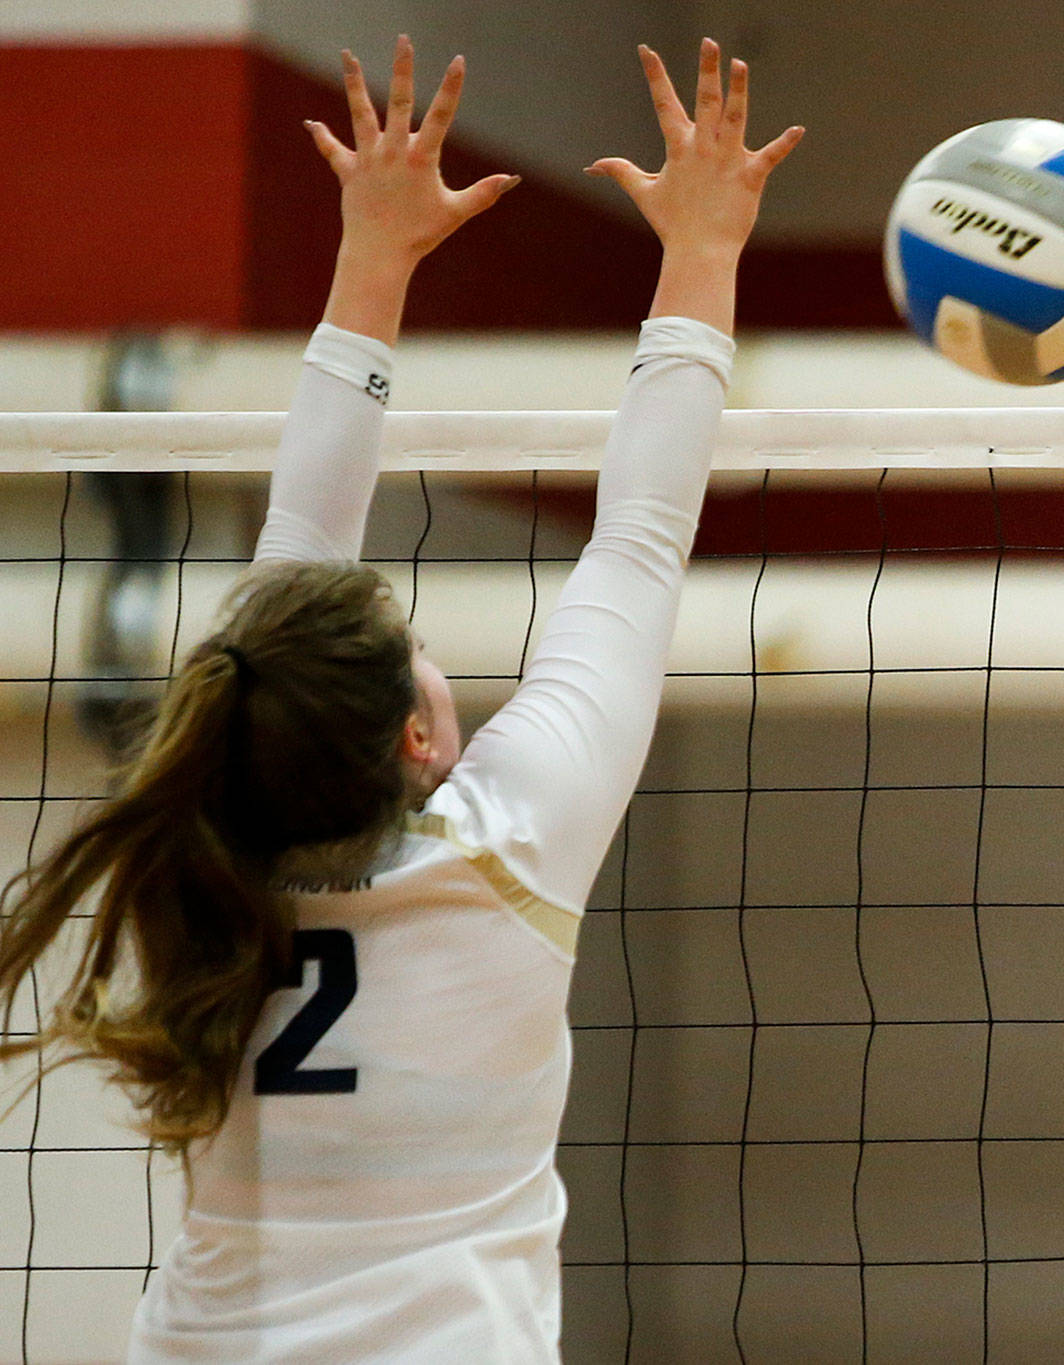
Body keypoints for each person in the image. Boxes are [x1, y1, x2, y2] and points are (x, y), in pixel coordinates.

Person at [0, 36, 800, 1361]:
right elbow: (642, 537)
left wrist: (377, 257)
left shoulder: (208, 874)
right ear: (419, 741)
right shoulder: (511, 849)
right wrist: (703, 248)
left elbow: (324, 544)